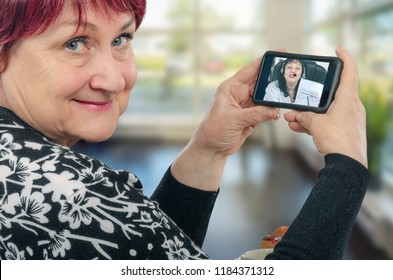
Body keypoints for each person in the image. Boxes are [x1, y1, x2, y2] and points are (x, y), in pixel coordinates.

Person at [0, 0, 368, 260]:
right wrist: (348, 162)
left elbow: (149, 255)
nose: (114, 79)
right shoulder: (68, 197)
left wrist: (207, 150)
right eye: (74, 43)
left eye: (121, 40)